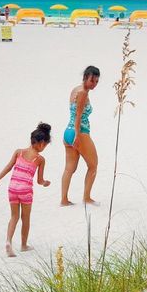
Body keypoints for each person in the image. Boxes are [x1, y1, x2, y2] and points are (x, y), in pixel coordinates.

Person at [0, 122, 52, 257]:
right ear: (42, 143)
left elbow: (8, 167)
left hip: (12, 188)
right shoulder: (40, 159)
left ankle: (8, 241)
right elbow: (39, 181)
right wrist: (45, 183)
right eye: (46, 145)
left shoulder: (19, 152)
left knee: (14, 216)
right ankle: (24, 245)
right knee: (25, 218)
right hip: (25, 191)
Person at [61, 65, 101, 207]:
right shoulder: (83, 93)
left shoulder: (75, 89)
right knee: (93, 165)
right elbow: (78, 116)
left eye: (96, 81)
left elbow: (73, 113)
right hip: (80, 132)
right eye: (92, 80)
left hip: (67, 132)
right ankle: (87, 197)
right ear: (85, 77)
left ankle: (64, 200)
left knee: (69, 168)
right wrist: (78, 136)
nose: (94, 84)